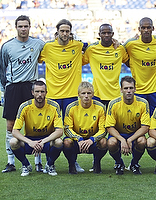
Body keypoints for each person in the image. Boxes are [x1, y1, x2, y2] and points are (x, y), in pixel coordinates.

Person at [38, 19, 87, 173]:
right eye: (62, 31)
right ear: (57, 32)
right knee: (51, 130)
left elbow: (90, 46)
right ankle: (49, 162)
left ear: (70, 32)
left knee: (72, 130)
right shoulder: (47, 47)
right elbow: (37, 59)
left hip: (72, 95)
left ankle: (73, 162)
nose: (65, 34)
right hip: (52, 95)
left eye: (67, 31)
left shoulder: (77, 46)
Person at [0, 15, 45, 173]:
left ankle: (38, 161)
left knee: (35, 125)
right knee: (11, 126)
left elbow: (54, 48)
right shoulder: (7, 46)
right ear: (16, 27)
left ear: (30, 27)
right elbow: (2, 70)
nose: (23, 29)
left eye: (26, 26)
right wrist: (3, 92)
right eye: (20, 26)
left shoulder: (38, 44)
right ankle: (11, 162)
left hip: (30, 86)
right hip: (13, 89)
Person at [10, 80, 63, 176]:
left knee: (59, 142)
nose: (39, 94)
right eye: (37, 91)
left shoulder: (54, 106)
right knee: (13, 142)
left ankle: (50, 165)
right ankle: (26, 165)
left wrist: (43, 142)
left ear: (46, 93)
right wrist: (30, 142)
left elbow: (59, 131)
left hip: (47, 140)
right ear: (32, 92)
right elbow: (14, 131)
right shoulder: (24, 106)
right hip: (30, 140)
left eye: (42, 92)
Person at [106, 76, 150, 175]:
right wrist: (122, 139)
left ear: (135, 89)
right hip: (119, 133)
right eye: (126, 88)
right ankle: (119, 163)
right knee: (111, 142)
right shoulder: (113, 104)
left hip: (135, 134)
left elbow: (145, 127)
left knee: (142, 141)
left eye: (131, 88)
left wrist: (130, 139)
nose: (129, 91)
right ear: (121, 90)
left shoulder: (143, 103)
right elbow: (109, 127)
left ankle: (134, 163)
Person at [123, 17, 156, 116]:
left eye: (148, 27)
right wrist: (130, 63)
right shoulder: (131, 44)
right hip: (138, 89)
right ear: (139, 29)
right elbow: (120, 52)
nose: (146, 30)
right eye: (143, 28)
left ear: (153, 28)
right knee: (137, 120)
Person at [63, 81, 108, 174]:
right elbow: (67, 128)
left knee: (104, 142)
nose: (86, 96)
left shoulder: (100, 107)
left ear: (93, 94)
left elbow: (103, 130)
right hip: (77, 140)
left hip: (92, 140)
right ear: (79, 95)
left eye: (89, 93)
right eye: (83, 93)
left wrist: (92, 139)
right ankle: (72, 164)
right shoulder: (71, 107)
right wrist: (79, 139)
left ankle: (96, 162)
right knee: (66, 142)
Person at [82, 23, 129, 108]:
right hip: (97, 93)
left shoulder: (119, 49)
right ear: (99, 34)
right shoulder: (92, 49)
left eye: (109, 33)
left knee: (114, 120)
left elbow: (129, 62)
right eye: (103, 33)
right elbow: (80, 61)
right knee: (97, 120)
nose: (106, 35)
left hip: (114, 93)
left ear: (113, 34)